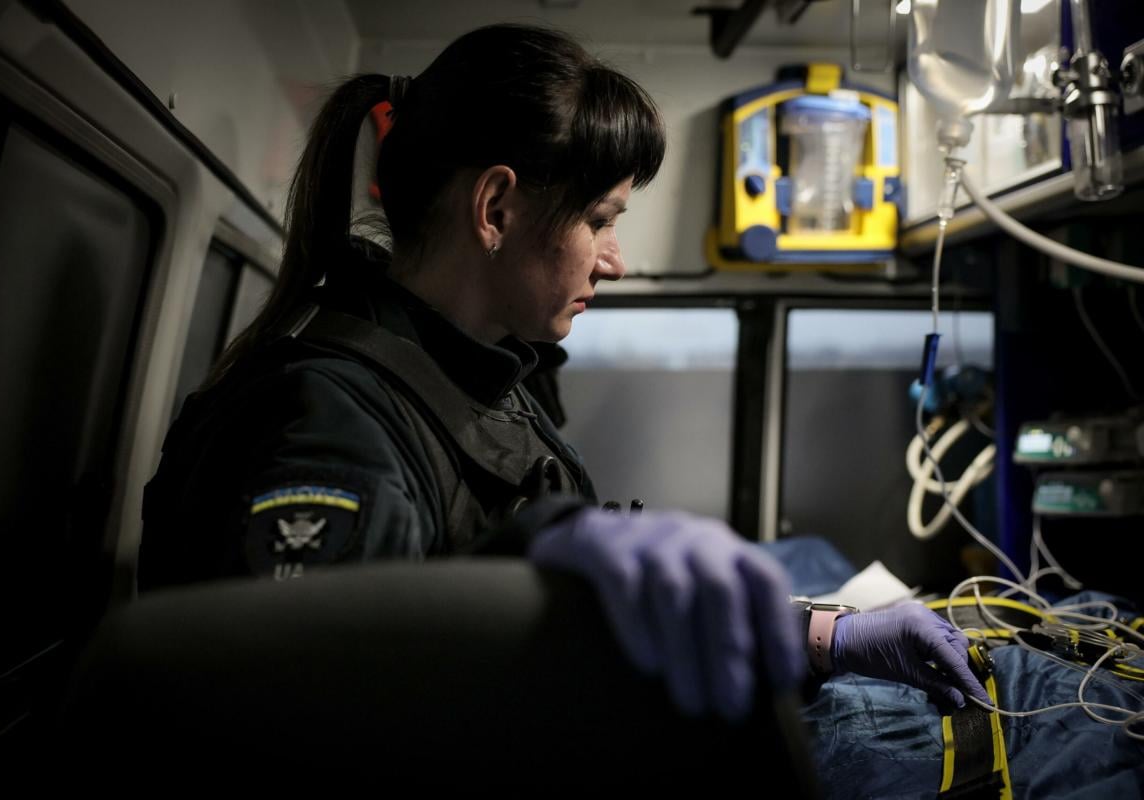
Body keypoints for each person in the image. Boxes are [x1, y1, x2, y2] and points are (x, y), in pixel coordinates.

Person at [139, 23, 989, 724]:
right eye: (599, 219)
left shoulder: (477, 370)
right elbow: (354, 738)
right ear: (497, 209)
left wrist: (820, 638)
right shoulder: (329, 430)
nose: (614, 261)